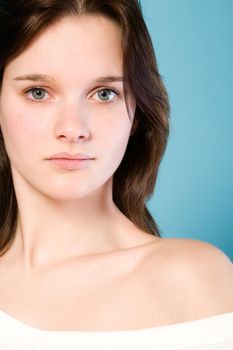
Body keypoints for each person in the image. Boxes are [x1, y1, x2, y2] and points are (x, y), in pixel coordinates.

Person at [0, 0, 232, 349]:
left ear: (137, 112)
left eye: (103, 94)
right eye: (38, 92)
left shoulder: (192, 280)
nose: (73, 128)